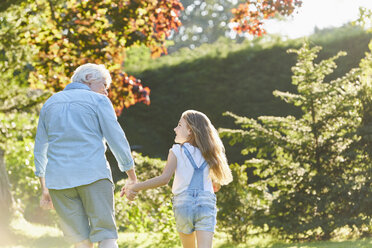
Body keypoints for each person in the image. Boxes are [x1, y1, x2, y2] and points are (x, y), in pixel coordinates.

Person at [34, 63, 137, 248]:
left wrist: (44, 187)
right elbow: (117, 139)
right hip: (94, 175)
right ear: (89, 77)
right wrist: (131, 177)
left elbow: (40, 148)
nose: (106, 92)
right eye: (104, 86)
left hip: (59, 182)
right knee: (106, 235)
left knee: (80, 241)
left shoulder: (49, 103)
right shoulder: (98, 101)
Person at [122, 110, 233, 248]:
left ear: (190, 131)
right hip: (206, 203)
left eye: (179, 125)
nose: (175, 129)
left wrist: (135, 187)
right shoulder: (210, 154)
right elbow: (215, 184)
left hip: (183, 205)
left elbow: (164, 179)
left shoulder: (176, 151)